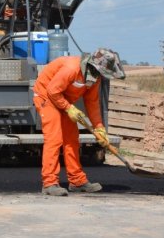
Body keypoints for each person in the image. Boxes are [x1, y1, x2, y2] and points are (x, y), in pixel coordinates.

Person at [33, 47, 125, 196]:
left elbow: (92, 103)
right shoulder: (71, 68)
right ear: (96, 66)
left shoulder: (94, 78)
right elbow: (52, 91)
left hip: (62, 98)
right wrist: (69, 108)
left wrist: (99, 127)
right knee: (54, 139)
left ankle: (77, 181)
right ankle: (49, 183)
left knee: (72, 140)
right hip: (46, 96)